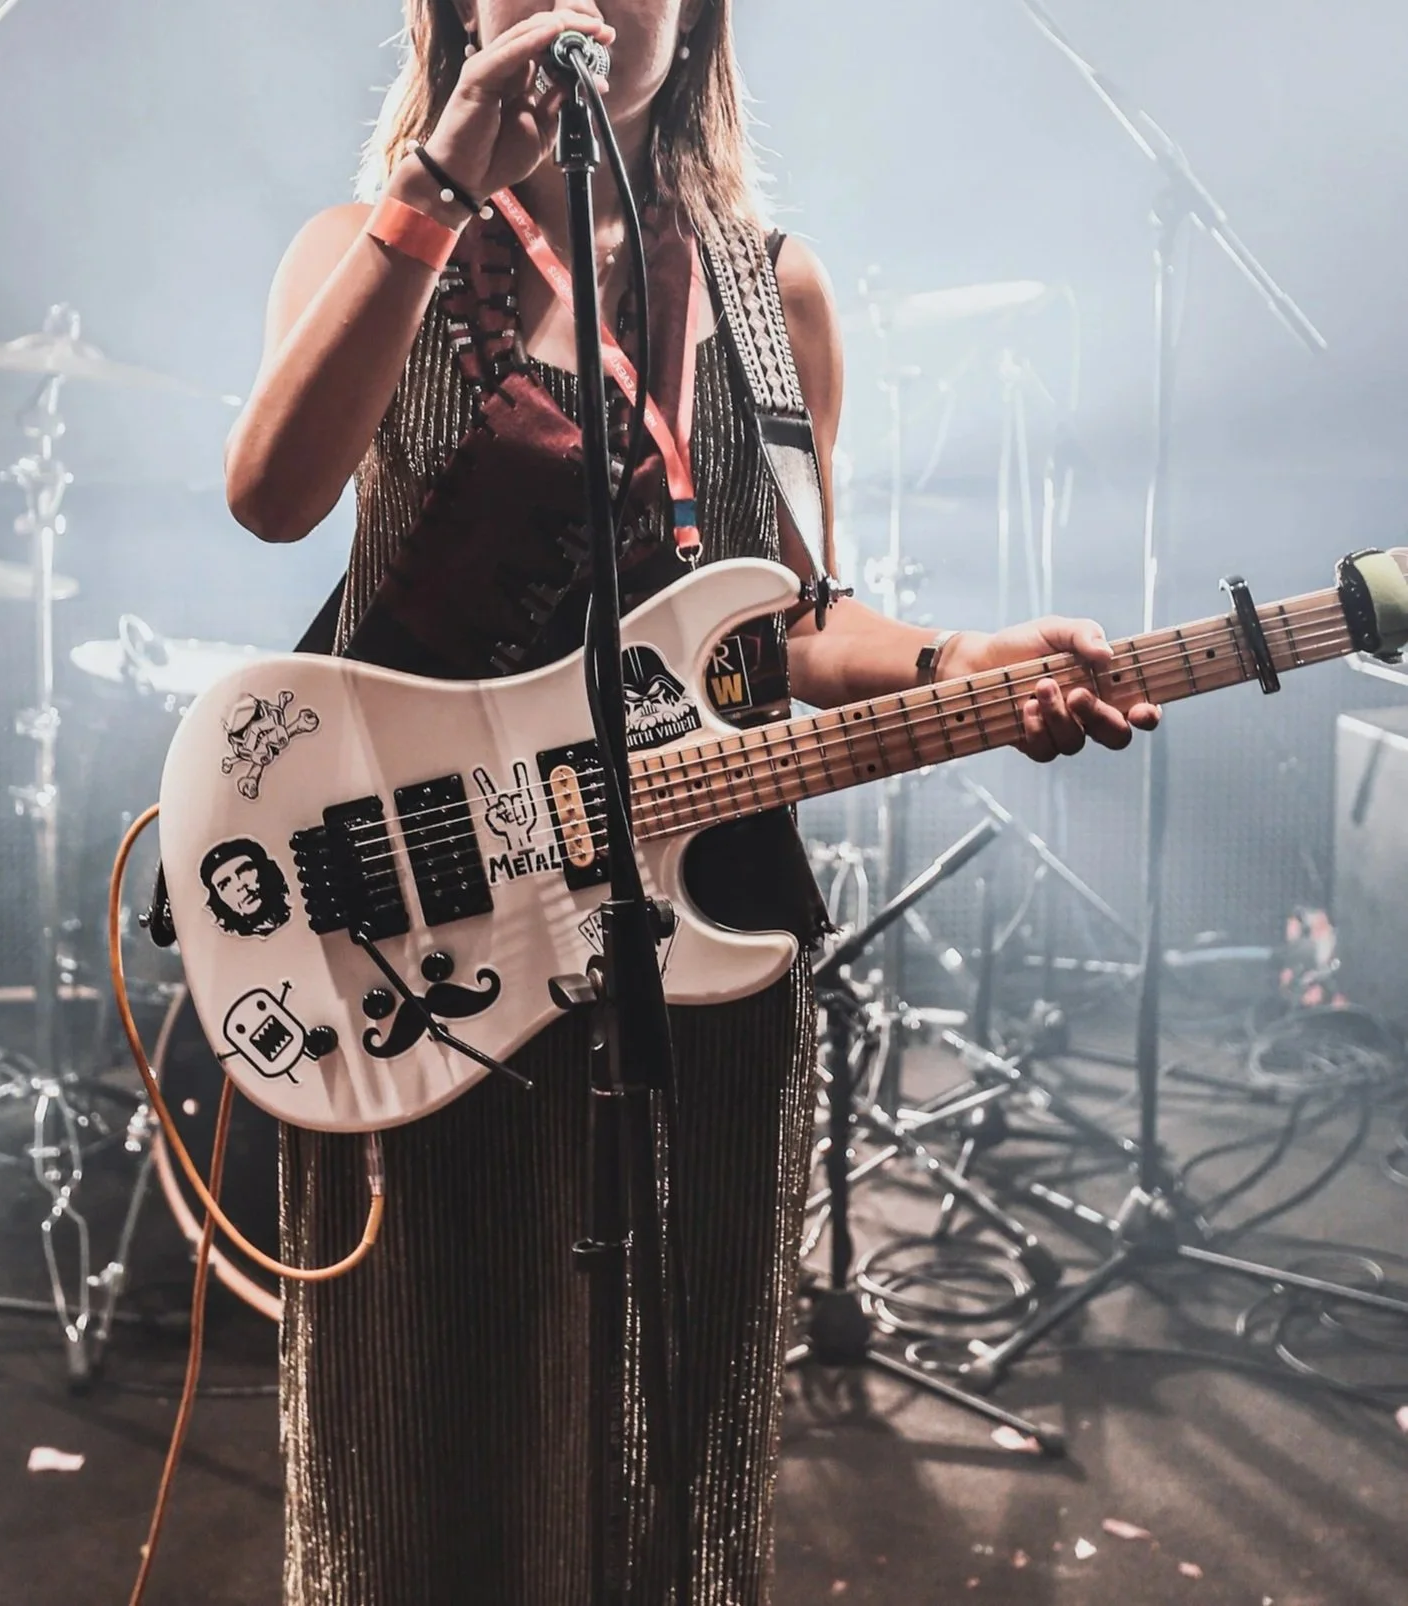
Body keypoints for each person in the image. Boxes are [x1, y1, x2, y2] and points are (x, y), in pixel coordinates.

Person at [224, 4, 1160, 1601]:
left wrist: (956, 661)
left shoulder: (768, 289)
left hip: (689, 917)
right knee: (428, 1413)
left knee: (667, 1413)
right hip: (432, 921)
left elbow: (787, 621)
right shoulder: (362, 244)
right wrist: (436, 187)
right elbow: (271, 496)